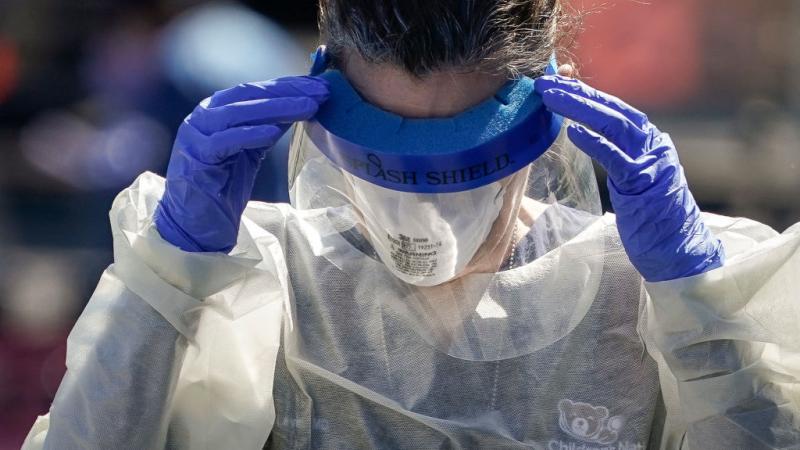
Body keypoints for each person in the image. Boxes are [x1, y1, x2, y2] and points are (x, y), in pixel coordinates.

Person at [24, 1, 800, 449]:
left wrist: (706, 309)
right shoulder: (268, 289)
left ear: (538, 125)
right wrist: (168, 281)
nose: (428, 216)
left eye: (465, 172)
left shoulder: (636, 297)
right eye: (392, 168)